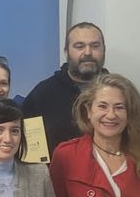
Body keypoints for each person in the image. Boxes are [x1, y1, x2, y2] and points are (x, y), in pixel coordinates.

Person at [22, 22, 107, 156]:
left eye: (95, 46)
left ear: (104, 50)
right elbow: (30, 155)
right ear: (66, 52)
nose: (88, 52)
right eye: (79, 46)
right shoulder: (43, 95)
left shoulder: (120, 93)